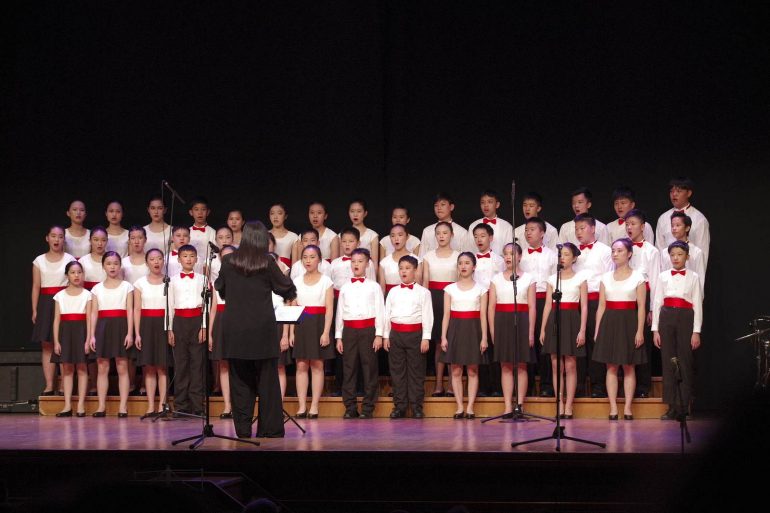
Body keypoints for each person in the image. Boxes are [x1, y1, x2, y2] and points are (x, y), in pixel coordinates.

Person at [214, 221, 297, 438]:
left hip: (235, 331)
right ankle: (269, 430)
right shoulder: (267, 262)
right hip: (262, 330)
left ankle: (242, 430)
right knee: (267, 382)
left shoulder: (229, 260)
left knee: (240, 383)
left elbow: (220, 288)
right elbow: (286, 288)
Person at [592, 239, 647, 420]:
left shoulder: (638, 277)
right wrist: (597, 330)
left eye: (620, 251)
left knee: (629, 367)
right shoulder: (605, 278)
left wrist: (639, 331)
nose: (615, 254)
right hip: (609, 322)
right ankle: (614, 407)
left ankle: (628, 407)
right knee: (611, 367)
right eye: (613, 251)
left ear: (629, 254)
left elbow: (641, 307)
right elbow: (601, 306)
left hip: (629, 322)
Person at [652, 241, 703, 420]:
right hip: (666, 317)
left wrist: (696, 331)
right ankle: (672, 406)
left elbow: (697, 304)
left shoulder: (694, 277)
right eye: (673, 254)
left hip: (686, 317)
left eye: (680, 254)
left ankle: (684, 406)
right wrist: (655, 330)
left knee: (684, 361)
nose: (676, 258)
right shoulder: (663, 276)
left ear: (687, 256)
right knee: (668, 362)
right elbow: (657, 302)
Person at [335, 248, 385, 419]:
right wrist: (338, 336)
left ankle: (368, 408)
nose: (356, 264)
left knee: (369, 368)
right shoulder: (345, 287)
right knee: (349, 369)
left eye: (360, 261)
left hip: (368, 330)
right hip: (348, 330)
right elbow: (340, 313)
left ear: (367, 263)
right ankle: (349, 407)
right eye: (353, 261)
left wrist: (379, 334)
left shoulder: (374, 286)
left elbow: (380, 310)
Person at [539, 243, 588, 418]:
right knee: (555, 363)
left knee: (570, 364)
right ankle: (559, 402)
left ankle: (569, 405)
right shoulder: (553, 279)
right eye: (561, 255)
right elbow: (547, 306)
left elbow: (584, 306)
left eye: (567, 254)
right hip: (555, 319)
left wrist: (582, 330)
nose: (563, 258)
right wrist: (543, 328)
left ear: (574, 258)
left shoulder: (580, 278)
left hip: (572, 319)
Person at [488, 243, 536, 417]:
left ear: (520, 256)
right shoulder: (496, 279)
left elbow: (532, 307)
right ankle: (508, 405)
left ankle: (520, 405)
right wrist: (493, 331)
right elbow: (491, 307)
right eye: (506, 254)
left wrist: (531, 332)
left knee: (521, 365)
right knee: (505, 365)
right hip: (502, 322)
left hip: (522, 321)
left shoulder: (529, 278)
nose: (508, 257)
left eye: (512, 254)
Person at [383, 255, 433, 419]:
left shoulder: (424, 292)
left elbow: (427, 315)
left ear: (415, 270)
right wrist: (386, 336)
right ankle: (400, 406)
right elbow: (386, 314)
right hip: (396, 334)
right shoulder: (392, 291)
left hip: (416, 335)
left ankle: (417, 407)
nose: (403, 271)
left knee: (416, 372)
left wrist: (426, 337)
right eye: (401, 268)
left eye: (407, 268)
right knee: (397, 372)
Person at [441, 252, 488, 419]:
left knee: (473, 370)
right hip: (455, 329)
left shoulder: (482, 289)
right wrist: (444, 336)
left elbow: (483, 315)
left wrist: (484, 337)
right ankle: (459, 406)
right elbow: (446, 314)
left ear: (474, 266)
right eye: (460, 263)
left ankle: (470, 407)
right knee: (455, 370)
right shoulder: (450, 288)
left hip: (473, 329)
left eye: (467, 263)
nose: (463, 266)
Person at [290, 245, 335, 418]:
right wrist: (292, 333)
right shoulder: (296, 281)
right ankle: (302, 406)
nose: (308, 260)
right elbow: (293, 308)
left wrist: (325, 332)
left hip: (318, 325)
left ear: (319, 260)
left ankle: (314, 405)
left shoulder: (326, 281)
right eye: (305, 257)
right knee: (301, 365)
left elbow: (329, 310)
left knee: (317, 365)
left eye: (312, 257)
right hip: (301, 324)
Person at [31, 225, 76, 395]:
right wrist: (35, 309)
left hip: (64, 302)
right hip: (45, 303)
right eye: (53, 236)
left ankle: (65, 385)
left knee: (63, 344)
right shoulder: (39, 260)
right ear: (47, 238)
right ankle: (50, 385)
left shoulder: (70, 259)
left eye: (60, 236)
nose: (56, 240)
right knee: (47, 345)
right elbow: (36, 286)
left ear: (64, 239)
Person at [572, 213, 614, 398]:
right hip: (577, 301)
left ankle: (598, 386)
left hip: (597, 300)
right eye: (576, 229)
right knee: (578, 344)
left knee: (597, 342)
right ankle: (579, 386)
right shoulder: (573, 253)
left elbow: (609, 277)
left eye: (582, 228)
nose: (579, 232)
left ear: (593, 228)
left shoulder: (605, 251)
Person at [89, 251, 134, 417]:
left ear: (120, 265)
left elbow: (129, 311)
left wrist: (130, 333)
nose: (112, 266)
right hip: (102, 327)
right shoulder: (96, 288)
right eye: (108, 263)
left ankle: (123, 406)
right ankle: (101, 406)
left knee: (122, 367)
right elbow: (93, 313)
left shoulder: (127, 286)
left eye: (115, 263)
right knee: (102, 367)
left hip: (121, 326)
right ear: (103, 266)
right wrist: (92, 335)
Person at [518, 217, 558, 397]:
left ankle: (547, 384)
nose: (528, 232)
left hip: (546, 301)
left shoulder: (552, 254)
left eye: (532, 229)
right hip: (525, 302)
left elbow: (554, 281)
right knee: (528, 342)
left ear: (542, 233)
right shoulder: (521, 255)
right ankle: (528, 384)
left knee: (545, 342)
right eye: (526, 229)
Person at [624, 209, 660, 398]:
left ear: (643, 226)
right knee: (625, 341)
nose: (629, 227)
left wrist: (652, 309)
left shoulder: (651, 251)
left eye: (633, 224)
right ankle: (626, 386)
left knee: (642, 342)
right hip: (625, 297)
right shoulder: (622, 248)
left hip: (643, 296)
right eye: (627, 224)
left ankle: (643, 386)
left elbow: (654, 280)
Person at [421, 222, 459, 397]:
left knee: (451, 342)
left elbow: (460, 281)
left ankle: (452, 384)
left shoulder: (458, 256)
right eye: (438, 233)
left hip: (452, 298)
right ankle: (438, 384)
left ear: (452, 235)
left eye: (445, 233)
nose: (442, 236)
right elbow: (426, 282)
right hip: (434, 299)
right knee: (438, 343)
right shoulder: (428, 256)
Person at [167, 244, 206, 416]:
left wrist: (204, 326)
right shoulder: (172, 280)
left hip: (197, 321)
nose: (189, 259)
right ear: (179, 259)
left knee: (197, 365)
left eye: (192, 256)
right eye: (185, 256)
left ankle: (198, 406)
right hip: (179, 322)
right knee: (181, 365)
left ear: (197, 259)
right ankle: (181, 406)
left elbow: (206, 306)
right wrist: (169, 329)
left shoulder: (203, 279)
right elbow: (169, 306)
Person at [51, 260, 92, 417]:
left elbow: (89, 319)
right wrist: (56, 341)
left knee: (82, 368)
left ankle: (81, 405)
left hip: (81, 332)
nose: (76, 275)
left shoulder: (88, 295)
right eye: (73, 272)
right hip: (65, 333)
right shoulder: (59, 296)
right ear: (67, 275)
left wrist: (88, 340)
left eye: (79, 272)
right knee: (67, 370)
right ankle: (67, 405)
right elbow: (56, 320)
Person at [133, 248, 170, 416]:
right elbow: (137, 309)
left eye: (159, 258)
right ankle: (150, 405)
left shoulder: (169, 281)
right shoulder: (140, 283)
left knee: (162, 367)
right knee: (149, 367)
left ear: (163, 261)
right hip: (146, 325)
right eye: (152, 259)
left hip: (163, 324)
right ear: (147, 262)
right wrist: (137, 333)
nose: (156, 262)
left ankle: (163, 404)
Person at [655, 177, 710, 268]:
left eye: (679, 191)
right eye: (671, 191)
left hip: (690, 273)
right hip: (667, 274)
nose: (674, 194)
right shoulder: (663, 218)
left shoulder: (699, 219)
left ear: (688, 193)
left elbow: (703, 252)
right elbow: (659, 249)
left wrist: (698, 280)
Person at [208, 245, 236, 419]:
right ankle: (227, 405)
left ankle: (240, 405)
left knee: (239, 365)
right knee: (224, 365)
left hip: (238, 322)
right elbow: (213, 308)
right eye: (224, 257)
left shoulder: (245, 278)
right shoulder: (217, 281)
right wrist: (210, 332)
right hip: (220, 322)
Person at [660, 212, 706, 294]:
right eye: (672, 226)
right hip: (669, 296)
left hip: (688, 296)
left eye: (678, 225)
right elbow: (662, 278)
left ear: (687, 228)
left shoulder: (696, 252)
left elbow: (700, 280)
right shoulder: (665, 252)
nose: (674, 228)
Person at [468, 190, 514, 256]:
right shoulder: (473, 225)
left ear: (497, 205)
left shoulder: (506, 226)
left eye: (490, 202)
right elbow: (469, 249)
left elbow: (509, 251)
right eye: (482, 202)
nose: (486, 205)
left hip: (499, 265)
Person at [378, 224, 422, 295]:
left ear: (407, 237)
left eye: (400, 235)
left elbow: (419, 286)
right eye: (393, 236)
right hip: (391, 300)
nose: (396, 238)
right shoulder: (384, 263)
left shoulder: (416, 260)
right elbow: (382, 289)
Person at [347, 199, 379, 266]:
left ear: (365, 213)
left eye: (359, 211)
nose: (355, 214)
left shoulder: (372, 236)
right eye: (352, 211)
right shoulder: (341, 235)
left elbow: (375, 262)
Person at [268, 203, 299, 267]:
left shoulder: (293, 237)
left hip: (285, 274)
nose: (275, 217)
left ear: (285, 216)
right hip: (267, 272)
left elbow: (295, 264)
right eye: (272, 213)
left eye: (279, 213)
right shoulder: (264, 234)